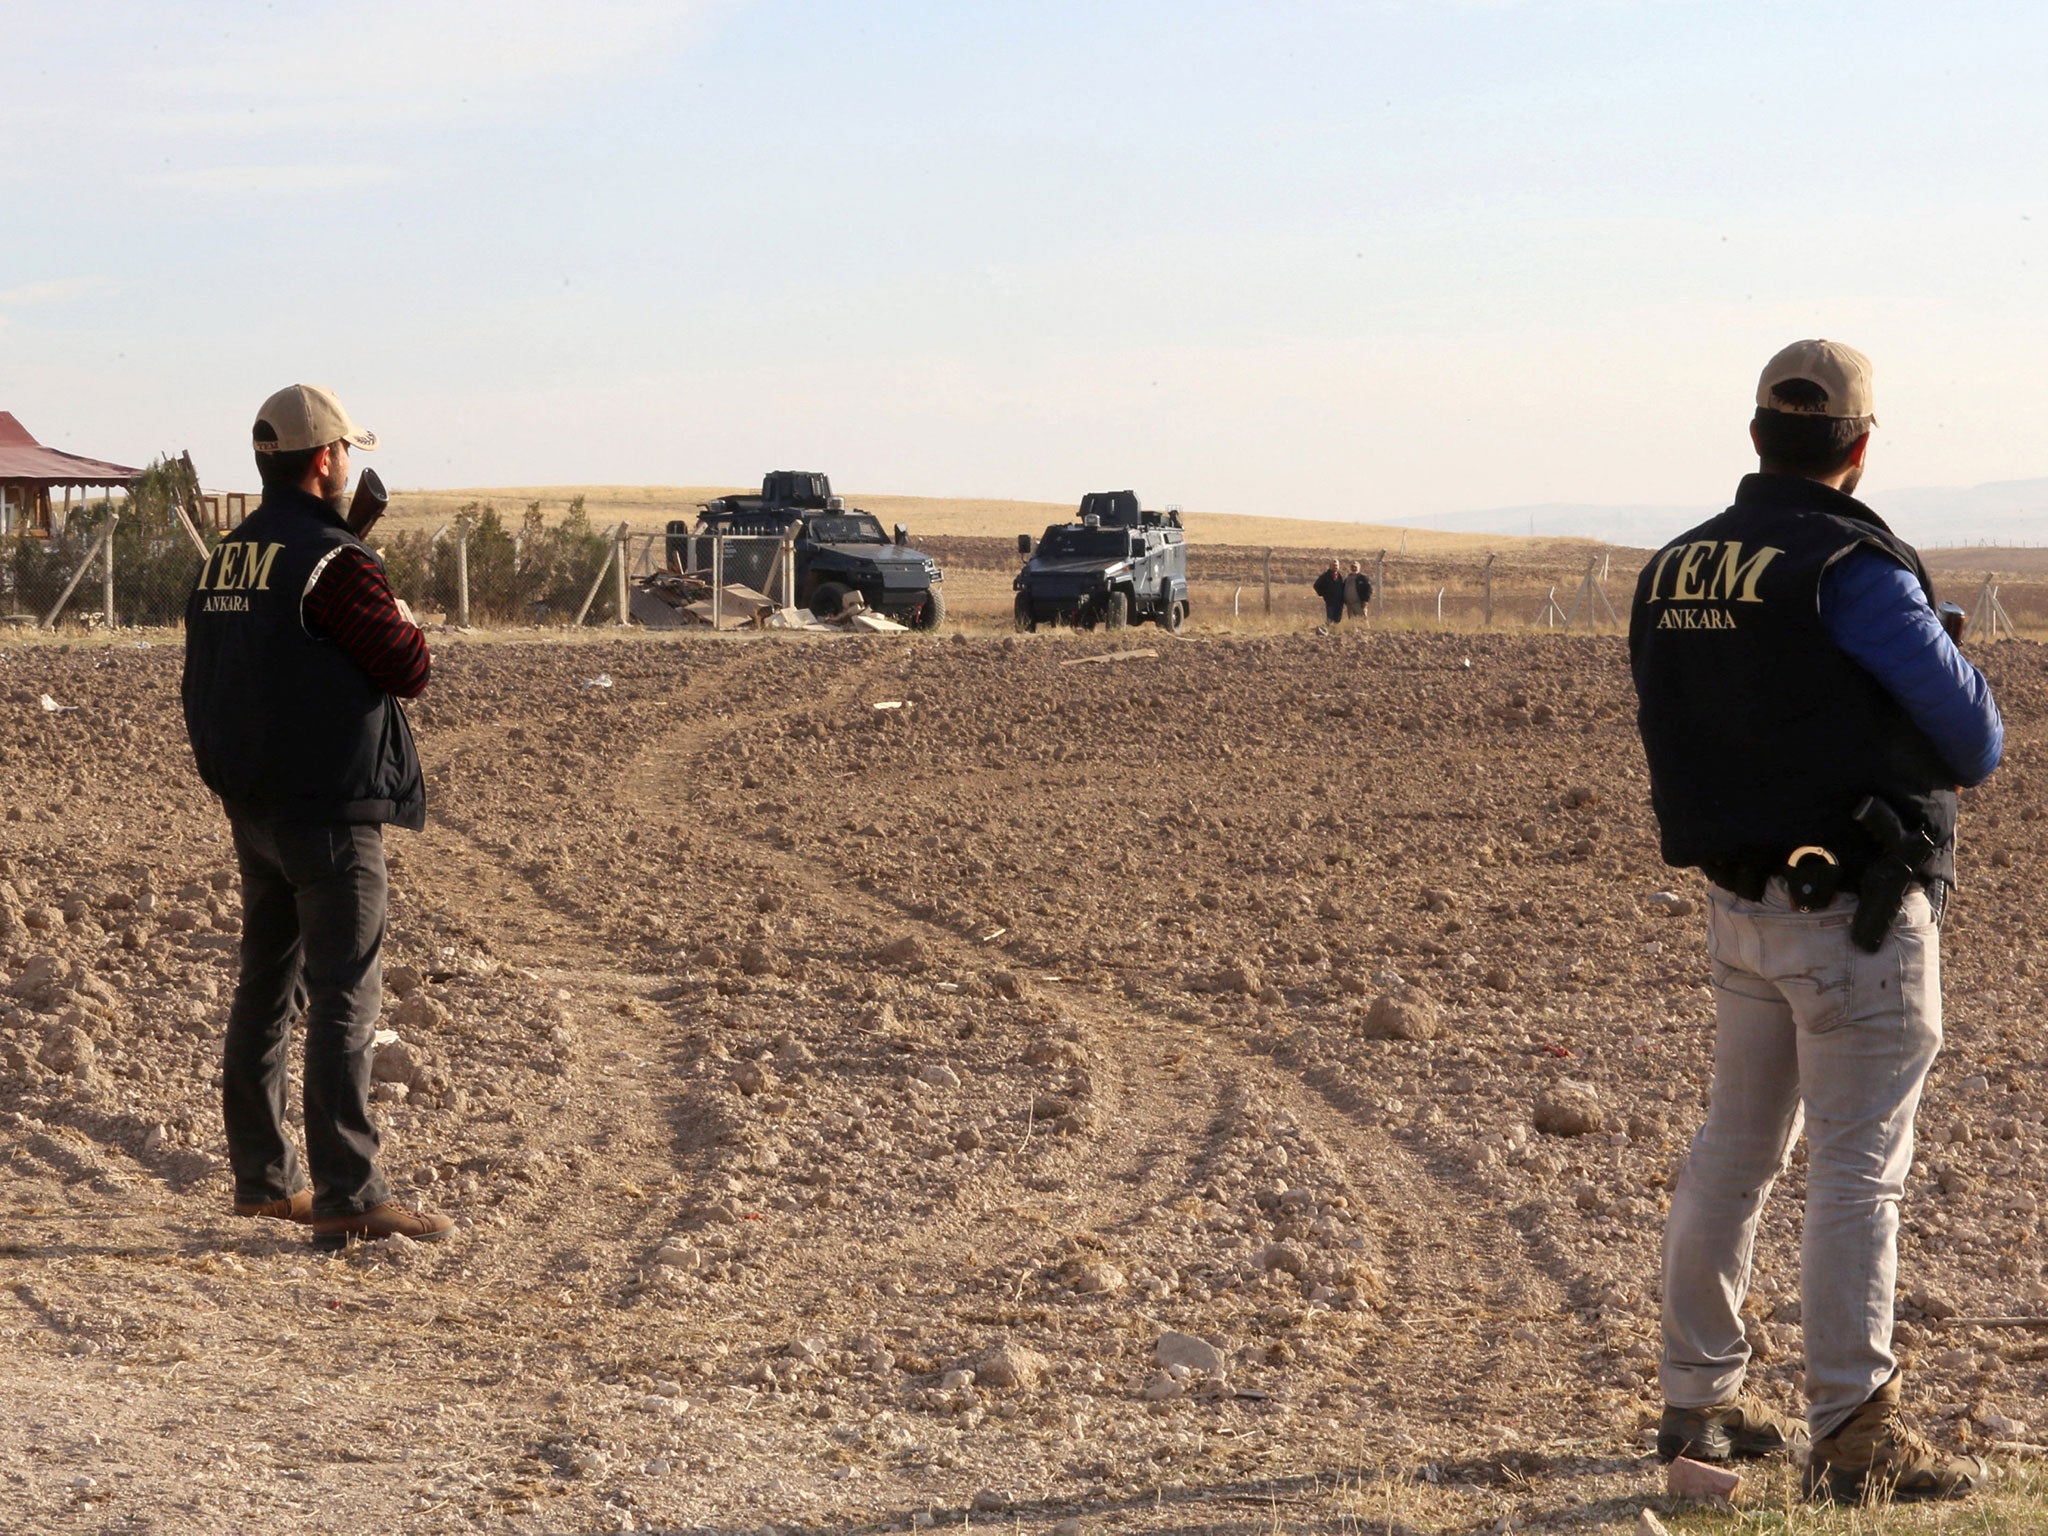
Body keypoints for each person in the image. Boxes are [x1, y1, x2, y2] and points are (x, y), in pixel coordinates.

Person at [1629, 340, 2001, 1503]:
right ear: (1857, 443)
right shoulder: (1851, 570)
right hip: (1852, 913)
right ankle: (1852, 1429)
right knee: (1856, 1171)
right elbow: (1971, 739)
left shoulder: (1676, 566)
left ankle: (1696, 1404)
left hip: (1738, 904)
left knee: (1730, 1151)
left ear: (1754, 435)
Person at [182, 384, 453, 1251]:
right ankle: (349, 1193)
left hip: (253, 807)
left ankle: (264, 1181)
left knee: (266, 987)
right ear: (327, 459)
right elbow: (406, 666)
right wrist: (404, 615)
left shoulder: (225, 557)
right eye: (348, 454)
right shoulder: (334, 561)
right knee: (344, 995)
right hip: (330, 811)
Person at [1312, 559, 1345, 626]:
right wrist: (1324, 594)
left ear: (1338, 566)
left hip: (1339, 602)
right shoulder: (1325, 576)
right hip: (1330, 602)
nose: (1335, 567)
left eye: (1336, 565)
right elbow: (1316, 585)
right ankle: (1329, 631)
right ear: (1330, 566)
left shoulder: (1340, 576)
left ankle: (1335, 632)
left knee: (1337, 620)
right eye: (1333, 565)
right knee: (1330, 619)